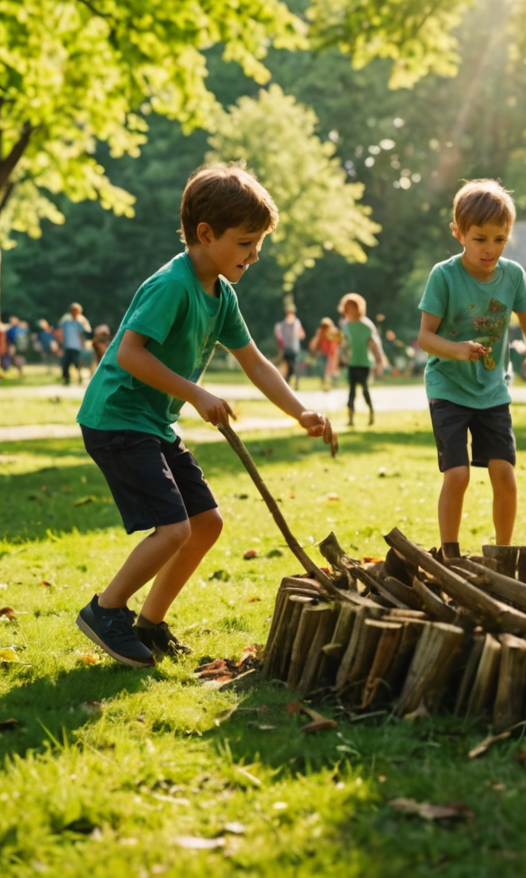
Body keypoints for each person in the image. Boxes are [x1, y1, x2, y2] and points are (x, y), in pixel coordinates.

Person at [74, 164, 336, 668]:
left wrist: (300, 411)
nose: (254, 255)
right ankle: (105, 611)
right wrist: (195, 393)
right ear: (205, 234)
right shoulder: (172, 284)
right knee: (174, 528)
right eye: (246, 243)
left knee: (207, 523)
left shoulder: (222, 294)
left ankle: (148, 624)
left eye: (259, 244)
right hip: (116, 419)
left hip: (151, 423)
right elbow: (128, 354)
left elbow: (256, 361)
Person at [417, 179, 526, 559]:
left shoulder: (514, 275)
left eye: (499, 239)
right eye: (480, 239)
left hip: (492, 391)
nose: (490, 249)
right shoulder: (444, 276)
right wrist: (456, 350)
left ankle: (503, 555)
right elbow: (425, 337)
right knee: (458, 474)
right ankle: (451, 555)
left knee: (504, 474)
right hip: (448, 388)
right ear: (458, 233)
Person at [338, 292, 387, 427]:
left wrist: (379, 362)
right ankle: (351, 418)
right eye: (348, 307)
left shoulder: (366, 325)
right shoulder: (345, 325)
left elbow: (374, 346)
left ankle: (371, 414)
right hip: (352, 363)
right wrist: (342, 358)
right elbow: (344, 345)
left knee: (365, 390)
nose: (351, 310)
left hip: (364, 363)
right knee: (351, 392)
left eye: (353, 307)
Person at [58, 303, 93, 385]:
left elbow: (87, 333)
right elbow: (60, 331)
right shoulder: (66, 322)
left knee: (78, 364)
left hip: (77, 347)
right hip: (67, 346)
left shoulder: (81, 322)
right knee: (65, 364)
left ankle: (80, 377)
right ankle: (66, 379)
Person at [274, 304, 306, 383]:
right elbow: (302, 336)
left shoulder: (283, 324)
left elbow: (302, 335)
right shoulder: (293, 323)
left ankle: (291, 381)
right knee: (289, 366)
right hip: (289, 348)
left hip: (292, 348)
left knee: (292, 366)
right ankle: (288, 381)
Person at [311, 317, 342, 393]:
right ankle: (324, 383)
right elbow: (316, 342)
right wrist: (315, 351)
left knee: (331, 370)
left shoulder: (334, 331)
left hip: (331, 354)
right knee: (322, 368)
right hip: (323, 353)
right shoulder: (320, 332)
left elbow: (338, 341)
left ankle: (332, 384)